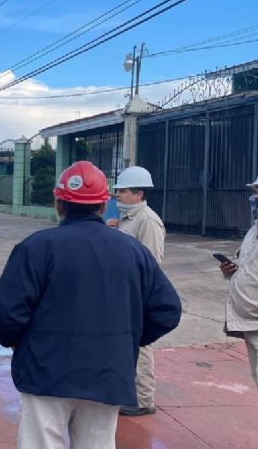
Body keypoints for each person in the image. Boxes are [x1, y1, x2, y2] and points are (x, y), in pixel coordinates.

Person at [0, 160, 181, 449]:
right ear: (104, 206)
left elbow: (8, 312)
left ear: (59, 204)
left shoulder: (37, 247)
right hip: (107, 373)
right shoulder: (133, 251)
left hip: (46, 372)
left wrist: (19, 343)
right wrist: (125, 340)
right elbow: (167, 310)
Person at [105, 166, 165, 416]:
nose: (117, 195)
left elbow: (151, 262)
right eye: (117, 190)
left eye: (123, 191)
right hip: (124, 293)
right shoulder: (128, 219)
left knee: (140, 346)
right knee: (126, 345)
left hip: (138, 294)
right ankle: (130, 393)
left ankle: (143, 400)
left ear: (139, 193)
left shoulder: (148, 221)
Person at [220, 176, 258, 388]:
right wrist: (230, 269)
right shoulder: (254, 230)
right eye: (255, 191)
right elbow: (248, 266)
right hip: (251, 318)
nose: (255, 197)